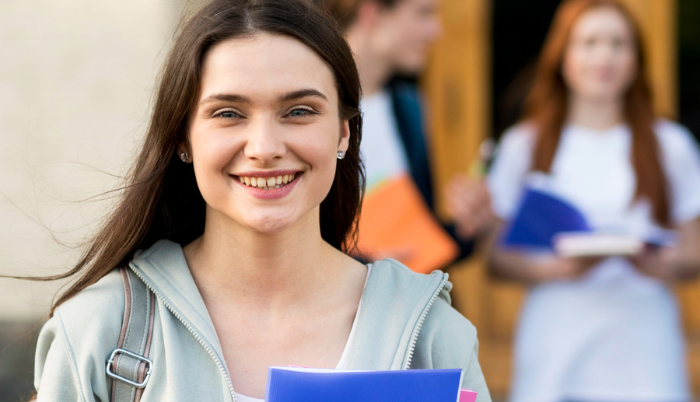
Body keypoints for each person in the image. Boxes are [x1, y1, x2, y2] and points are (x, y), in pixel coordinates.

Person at [26, 0, 491, 401]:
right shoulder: (99, 332)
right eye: (228, 113)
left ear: (344, 134)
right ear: (183, 138)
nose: (264, 147)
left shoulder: (432, 334)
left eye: (299, 111)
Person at [486, 0, 700, 401]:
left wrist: (660, 262)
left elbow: (694, 251)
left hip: (645, 345)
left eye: (619, 43)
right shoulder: (525, 145)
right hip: (556, 342)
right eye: (589, 42)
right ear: (563, 56)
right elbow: (497, 258)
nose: (605, 56)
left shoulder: (671, 145)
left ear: (637, 58)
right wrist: (559, 269)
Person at [319, 0, 493, 264]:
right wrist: (362, 264)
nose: (436, 31)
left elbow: (421, 245)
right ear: (373, 13)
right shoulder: (308, 108)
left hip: (406, 297)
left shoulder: (409, 108)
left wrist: (467, 227)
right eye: (424, 14)